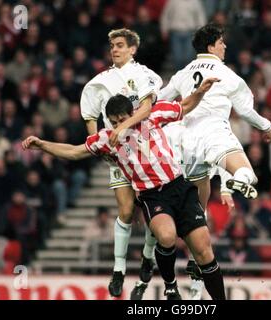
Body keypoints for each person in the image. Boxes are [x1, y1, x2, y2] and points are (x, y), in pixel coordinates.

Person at [22, 77, 226, 300]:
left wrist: (201, 91)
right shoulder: (107, 139)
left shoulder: (152, 115)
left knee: (204, 250)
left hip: (179, 186)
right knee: (166, 237)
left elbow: (185, 106)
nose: (119, 124)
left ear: (133, 112)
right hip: (153, 196)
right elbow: (73, 151)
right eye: (113, 121)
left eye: (122, 119)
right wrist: (42, 145)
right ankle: (170, 286)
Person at [158, 23, 271, 298]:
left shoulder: (183, 73)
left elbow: (160, 100)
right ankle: (235, 182)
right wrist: (266, 126)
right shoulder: (226, 74)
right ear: (211, 46)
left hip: (184, 138)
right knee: (247, 172)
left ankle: (194, 271)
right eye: (221, 42)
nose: (225, 46)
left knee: (198, 206)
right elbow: (246, 110)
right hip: (214, 131)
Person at [79, 28, 162, 297]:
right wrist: (96, 141)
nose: (114, 49)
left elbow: (148, 109)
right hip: (118, 155)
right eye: (112, 45)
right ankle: (118, 270)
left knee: (151, 212)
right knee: (126, 210)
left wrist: (120, 127)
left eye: (120, 45)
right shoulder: (99, 82)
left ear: (132, 49)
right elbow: (90, 116)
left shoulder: (146, 75)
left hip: (147, 152)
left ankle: (148, 257)